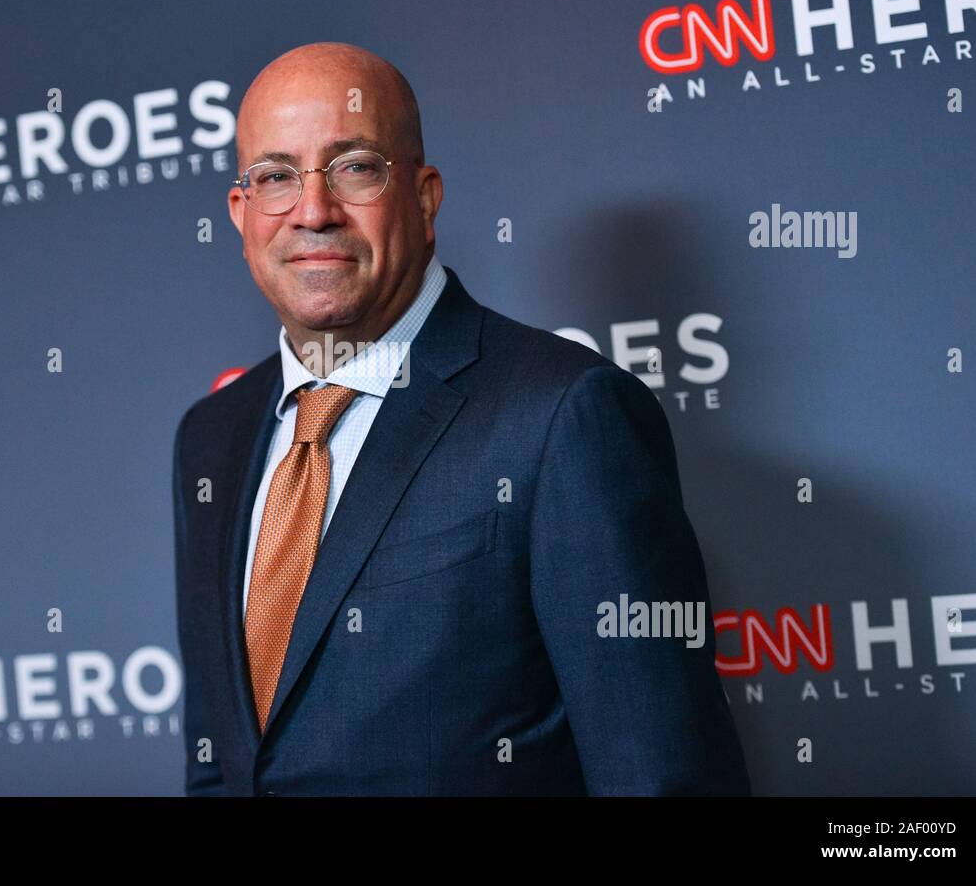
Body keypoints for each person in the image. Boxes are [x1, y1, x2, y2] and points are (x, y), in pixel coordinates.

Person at [172, 41, 750, 795]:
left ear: (423, 195)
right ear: (241, 212)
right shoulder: (209, 439)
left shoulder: (563, 414)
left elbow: (662, 774)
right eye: (277, 176)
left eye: (354, 166)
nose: (313, 211)